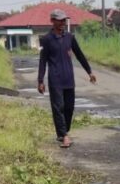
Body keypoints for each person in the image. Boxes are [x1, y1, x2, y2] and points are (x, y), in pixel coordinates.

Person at [37, 9, 96, 148]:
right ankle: (64, 136)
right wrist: (40, 81)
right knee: (58, 108)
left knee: (69, 108)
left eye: (64, 20)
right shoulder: (46, 39)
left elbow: (80, 55)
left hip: (69, 79)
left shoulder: (70, 37)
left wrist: (89, 72)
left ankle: (63, 132)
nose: (63, 22)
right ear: (52, 21)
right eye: (60, 20)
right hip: (55, 80)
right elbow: (42, 61)